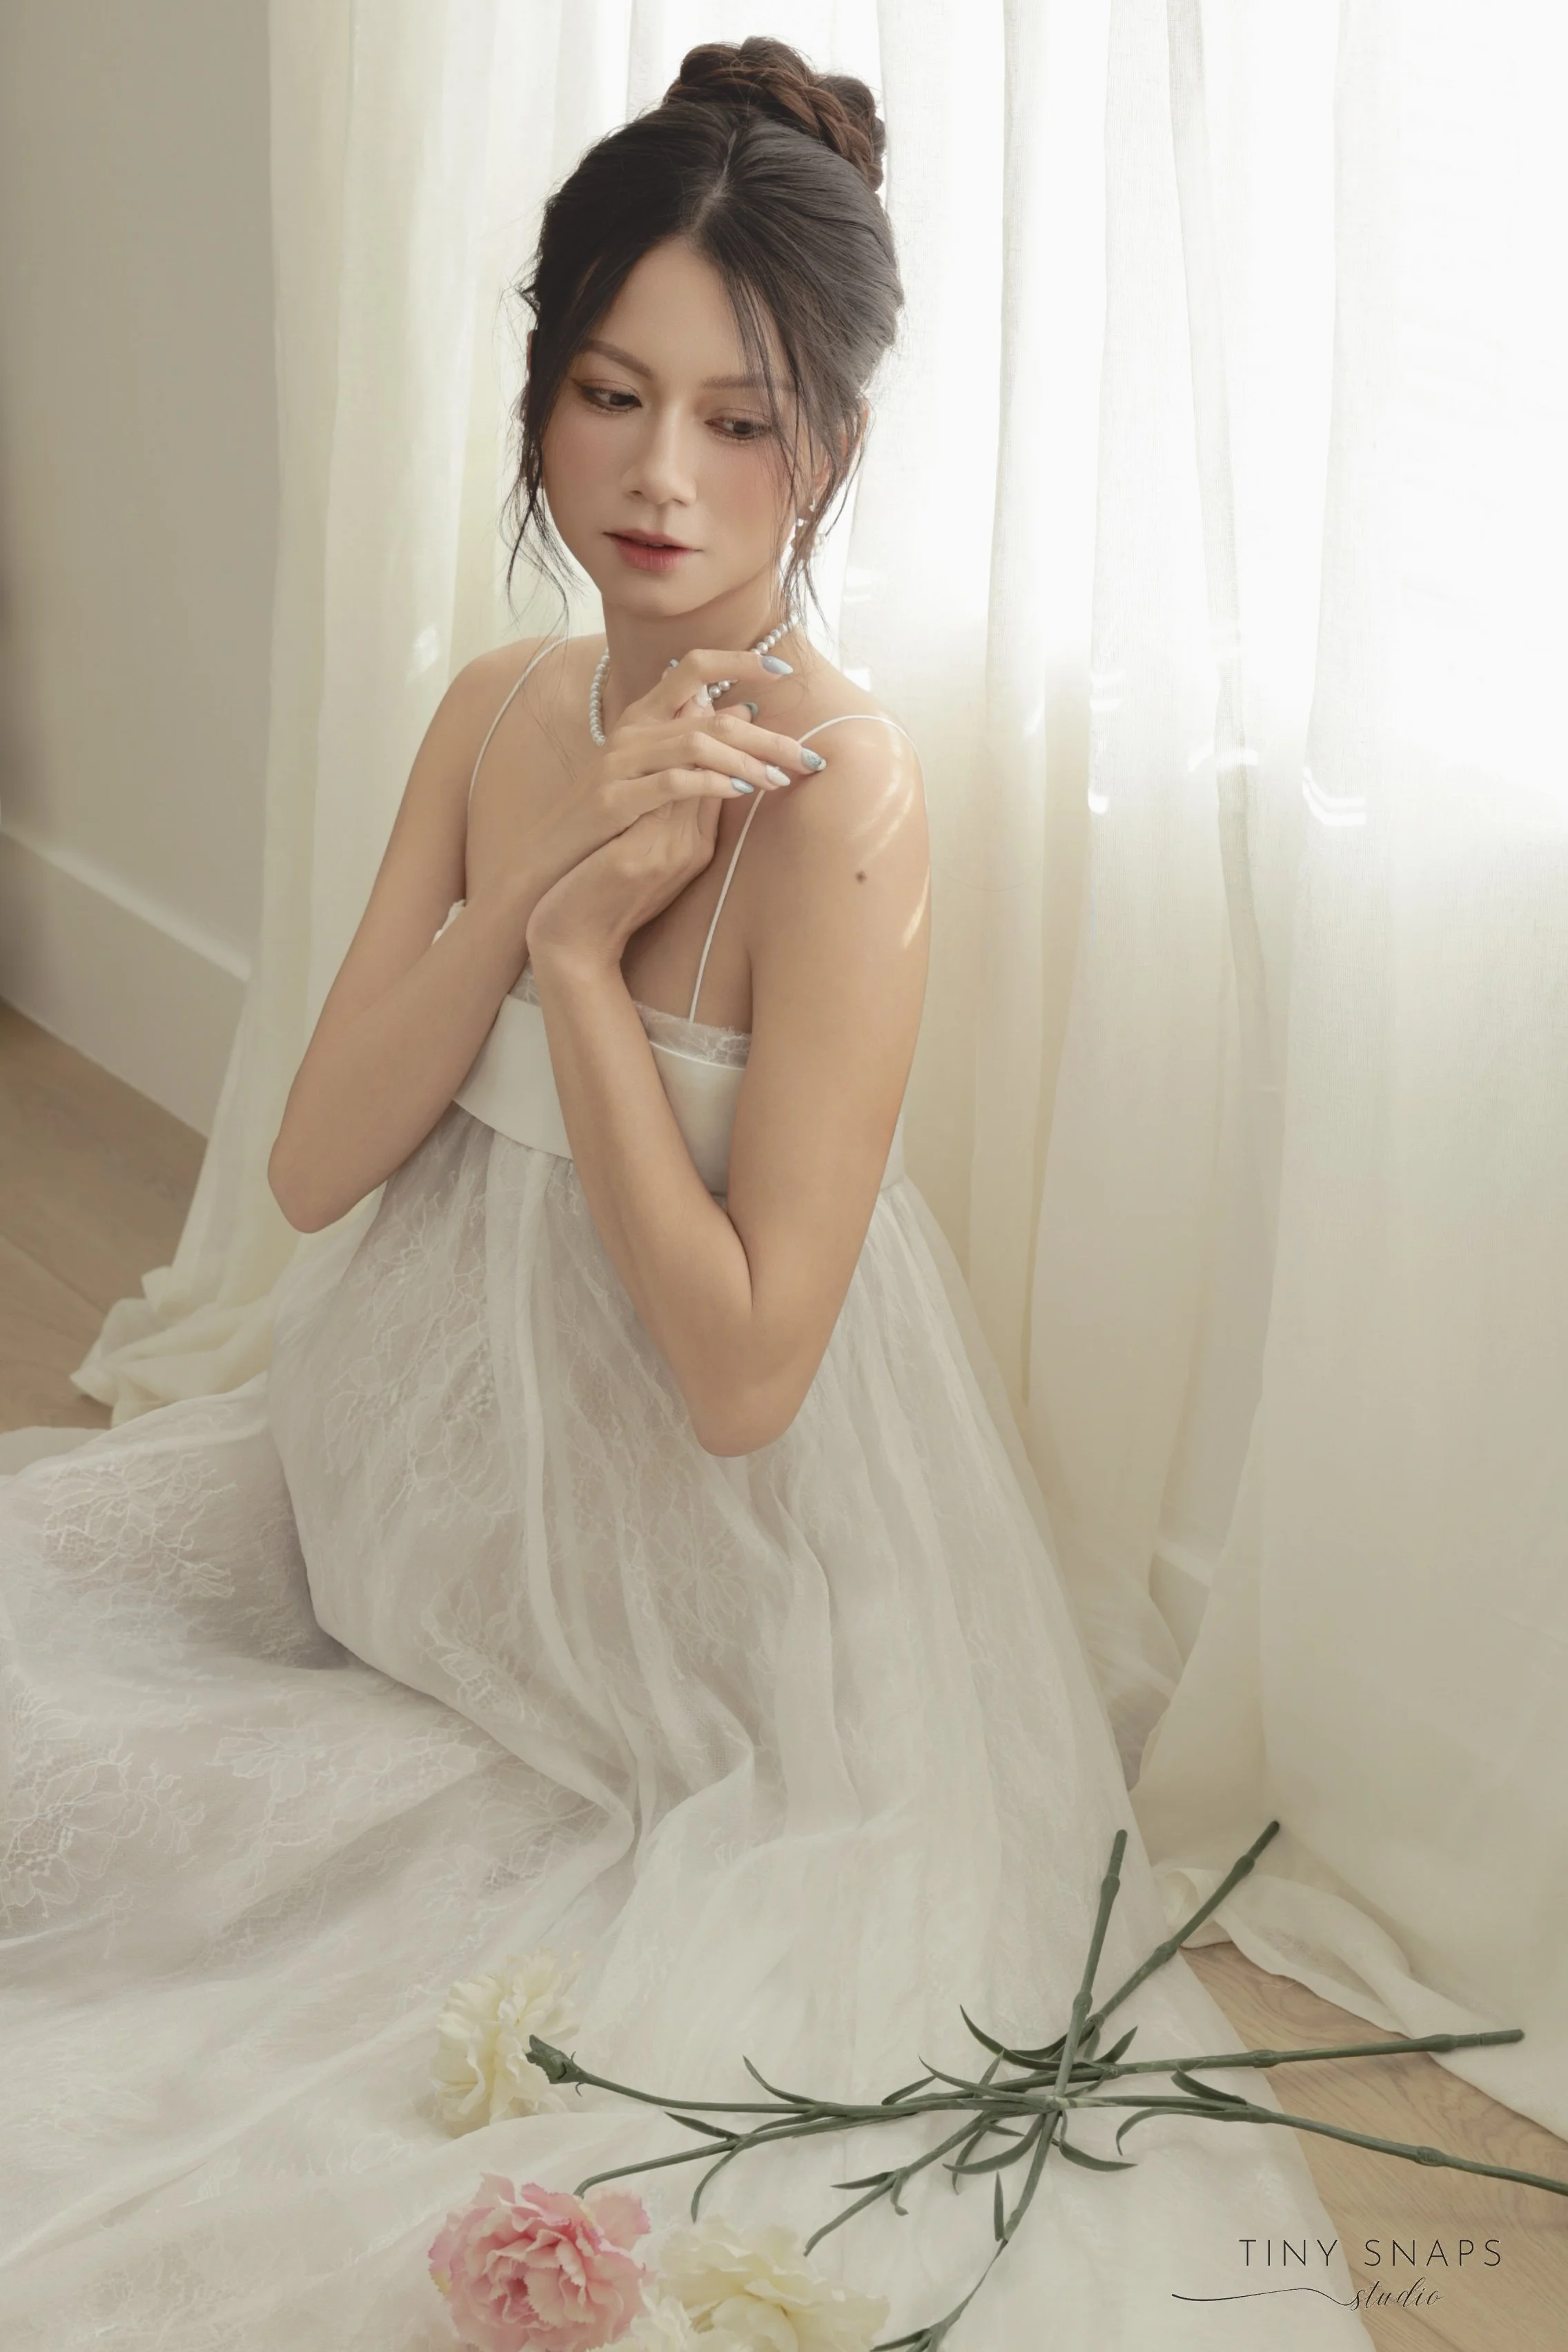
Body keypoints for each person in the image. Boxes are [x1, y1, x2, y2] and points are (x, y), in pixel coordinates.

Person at [0, 39, 1372, 2349]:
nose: (658, 476)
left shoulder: (850, 801)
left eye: (738, 418)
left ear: (828, 443)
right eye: (607, 395)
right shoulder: (494, 710)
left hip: (688, 1596)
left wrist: (570, 964)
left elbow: (745, 1373)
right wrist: (540, 866)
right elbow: (324, 1162)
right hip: (397, 1497)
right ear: (539, 394)